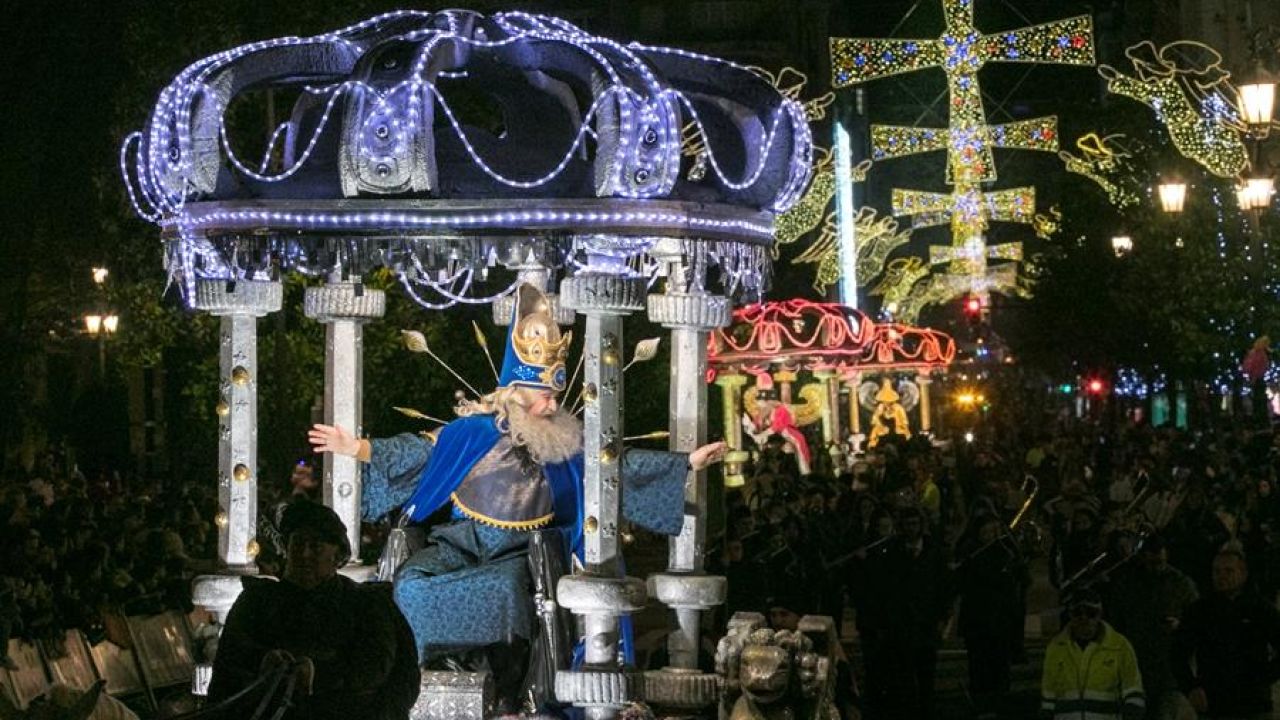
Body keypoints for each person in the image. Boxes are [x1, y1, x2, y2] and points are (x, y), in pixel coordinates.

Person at [309, 283, 726, 699]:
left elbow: (616, 469)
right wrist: (357, 448)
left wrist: (685, 464)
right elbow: (416, 454)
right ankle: (423, 680)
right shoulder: (472, 433)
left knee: (508, 590)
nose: (552, 406)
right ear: (516, 391)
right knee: (411, 585)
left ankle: (511, 687)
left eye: (556, 396)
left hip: (521, 554)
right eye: (545, 396)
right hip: (459, 545)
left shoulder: (564, 445)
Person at [206, 501, 420, 720]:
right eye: (298, 544)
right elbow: (229, 666)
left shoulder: (367, 603)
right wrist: (262, 662)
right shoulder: (256, 602)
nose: (305, 554)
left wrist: (316, 673)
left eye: (316, 546)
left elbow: (378, 665)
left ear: (337, 556)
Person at [1173, 548, 1280, 719]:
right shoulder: (1200, 611)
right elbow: (1178, 652)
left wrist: (1261, 678)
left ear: (1243, 573)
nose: (1221, 576)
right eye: (1216, 571)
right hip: (1214, 702)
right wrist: (1190, 687)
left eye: (1229, 571)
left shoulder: (1260, 609)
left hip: (1253, 704)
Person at [1103, 535, 1197, 720]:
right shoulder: (1128, 584)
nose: (1156, 566)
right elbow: (1116, 621)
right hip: (1136, 663)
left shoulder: (1180, 584)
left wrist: (1180, 626)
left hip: (1168, 667)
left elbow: (1196, 619)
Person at [1040, 590, 1145, 720]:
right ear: (1070, 615)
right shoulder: (1056, 648)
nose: (1084, 619)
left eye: (1091, 613)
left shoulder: (1119, 647)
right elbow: (1048, 696)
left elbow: (1133, 691)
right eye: (1078, 613)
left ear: (1100, 615)